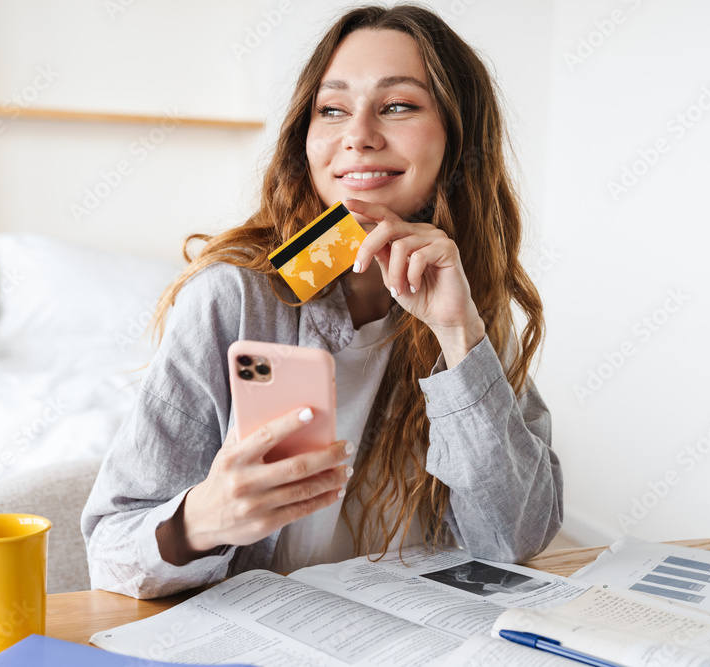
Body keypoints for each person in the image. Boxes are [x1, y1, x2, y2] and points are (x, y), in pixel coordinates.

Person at [81, 4, 562, 599]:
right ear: (304, 142)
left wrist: (460, 334)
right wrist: (200, 521)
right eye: (331, 110)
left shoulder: (468, 302)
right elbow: (110, 551)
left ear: (458, 143)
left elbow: (513, 542)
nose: (356, 136)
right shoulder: (232, 297)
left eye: (398, 106)